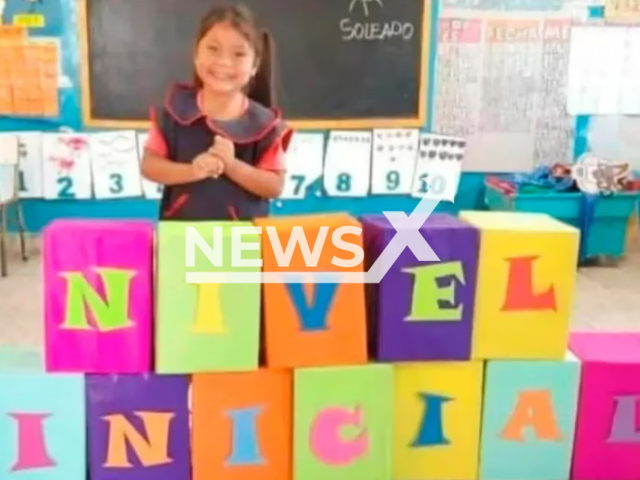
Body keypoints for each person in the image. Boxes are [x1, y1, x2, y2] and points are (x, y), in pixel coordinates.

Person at [141, 4, 292, 221]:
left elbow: (274, 185)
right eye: (213, 49)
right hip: (182, 238)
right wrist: (193, 170)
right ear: (196, 53)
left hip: (242, 242)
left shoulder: (265, 125)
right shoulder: (173, 112)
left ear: (254, 65)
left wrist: (231, 166)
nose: (223, 62)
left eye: (239, 54)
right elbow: (150, 166)